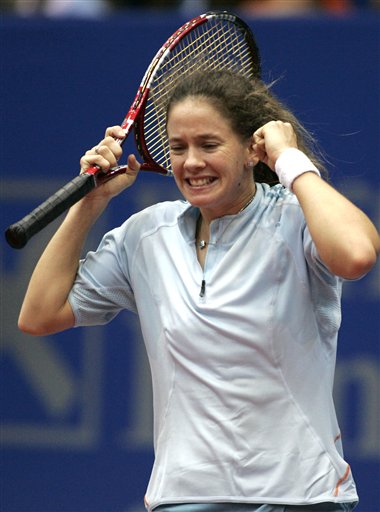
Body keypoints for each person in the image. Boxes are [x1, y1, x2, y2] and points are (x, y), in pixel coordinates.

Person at [18, 70, 379, 512]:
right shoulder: (146, 235)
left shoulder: (295, 218)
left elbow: (357, 255)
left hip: (302, 494)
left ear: (252, 149)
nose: (190, 163)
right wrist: (89, 203)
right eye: (178, 147)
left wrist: (289, 160)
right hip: (186, 496)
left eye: (209, 145)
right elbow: (39, 315)